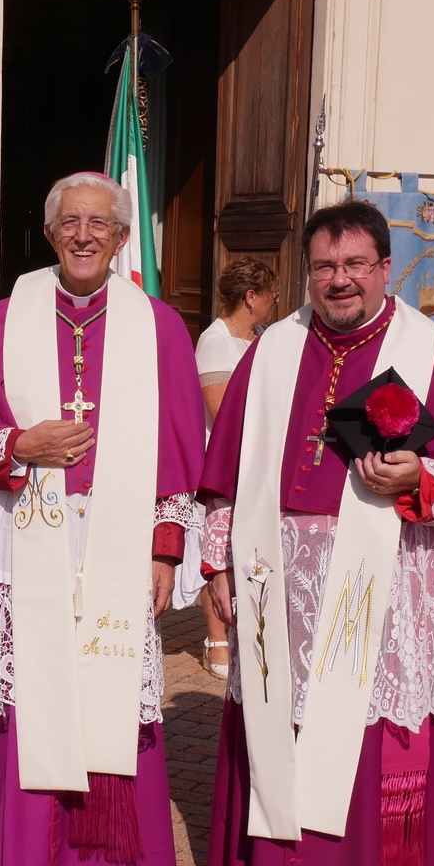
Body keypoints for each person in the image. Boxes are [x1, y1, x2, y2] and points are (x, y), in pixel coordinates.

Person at [199, 201, 434, 866]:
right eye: (325, 267)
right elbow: (227, 470)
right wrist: (217, 561)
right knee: (278, 715)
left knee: (366, 727)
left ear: (386, 268)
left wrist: (420, 476)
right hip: (281, 581)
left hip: (385, 580)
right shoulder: (272, 349)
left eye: (356, 265)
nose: (340, 280)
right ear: (308, 273)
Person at [0, 171, 206, 866]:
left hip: (117, 538)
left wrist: (165, 550)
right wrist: (19, 446)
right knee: (30, 697)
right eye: (71, 222)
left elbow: (180, 444)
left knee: (114, 696)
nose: (85, 235)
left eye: (100, 224)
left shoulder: (158, 326)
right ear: (50, 232)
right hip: (29, 531)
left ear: (122, 238)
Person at [195, 257, 279, 679]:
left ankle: (250, 627)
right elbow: (223, 412)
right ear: (251, 297)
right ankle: (216, 639)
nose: (276, 301)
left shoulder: (264, 338)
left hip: (261, 460)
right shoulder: (215, 341)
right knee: (221, 551)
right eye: (270, 295)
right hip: (227, 462)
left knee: (253, 547)